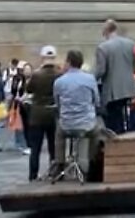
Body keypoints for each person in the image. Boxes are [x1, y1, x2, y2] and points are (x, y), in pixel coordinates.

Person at [53, 50, 100, 178]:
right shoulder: (90, 79)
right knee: (96, 134)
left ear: (68, 62)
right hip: (87, 125)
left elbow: (57, 103)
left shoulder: (59, 81)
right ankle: (92, 163)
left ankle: (59, 163)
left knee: (59, 134)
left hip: (67, 124)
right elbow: (96, 101)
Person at [95, 19, 135, 135]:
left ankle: (115, 146)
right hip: (129, 88)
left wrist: (90, 78)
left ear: (105, 31)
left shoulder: (103, 47)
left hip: (112, 90)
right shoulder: (130, 44)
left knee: (112, 121)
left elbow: (101, 70)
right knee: (123, 116)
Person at [25, 46, 60, 181]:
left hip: (37, 114)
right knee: (53, 147)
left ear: (42, 58)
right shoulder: (59, 74)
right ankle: (54, 173)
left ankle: (33, 175)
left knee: (36, 148)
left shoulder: (37, 74)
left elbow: (28, 89)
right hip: (53, 113)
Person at [9, 62, 31, 153]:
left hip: (29, 105)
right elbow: (14, 90)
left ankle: (27, 144)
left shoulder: (33, 80)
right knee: (19, 124)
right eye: (24, 70)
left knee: (28, 125)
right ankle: (20, 143)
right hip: (19, 104)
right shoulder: (18, 79)